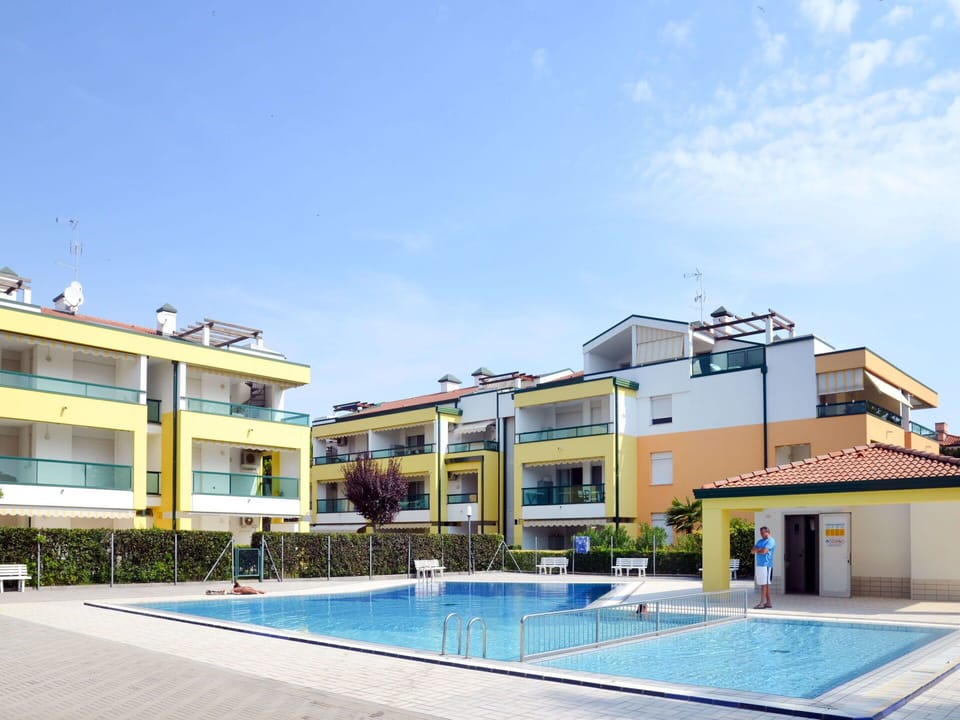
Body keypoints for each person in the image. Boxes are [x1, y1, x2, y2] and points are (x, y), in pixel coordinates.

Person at [751, 526, 775, 608]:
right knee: (763, 584)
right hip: (759, 565)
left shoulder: (771, 541)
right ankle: (769, 603)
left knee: (765, 584)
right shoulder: (759, 541)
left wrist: (758, 550)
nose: (761, 534)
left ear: (767, 532)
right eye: (760, 533)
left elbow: (764, 551)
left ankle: (761, 603)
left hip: (767, 566)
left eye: (763, 533)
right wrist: (759, 550)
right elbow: (752, 551)